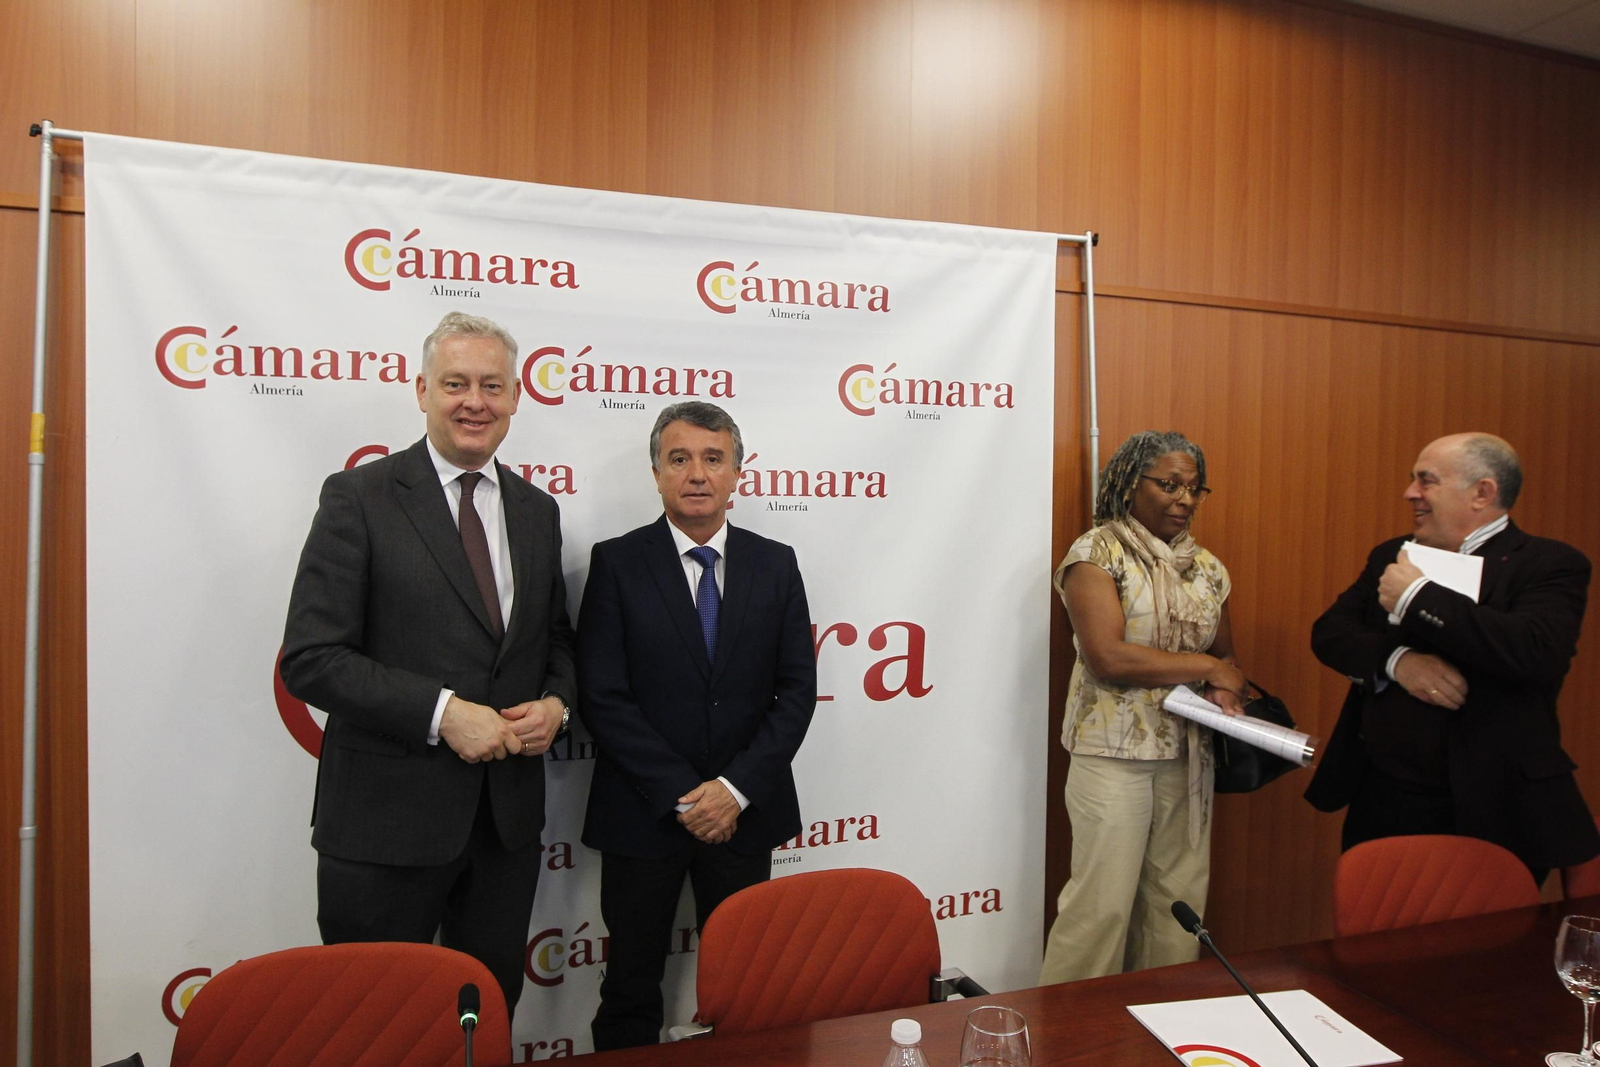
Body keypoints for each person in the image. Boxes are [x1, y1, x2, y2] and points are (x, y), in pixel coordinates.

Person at [279, 311, 576, 1017]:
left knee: (483, 1015)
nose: (475, 400)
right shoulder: (359, 497)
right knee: (373, 1021)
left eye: (492, 385)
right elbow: (313, 659)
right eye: (456, 383)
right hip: (385, 828)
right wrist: (444, 715)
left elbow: (557, 640)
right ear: (420, 391)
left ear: (514, 397)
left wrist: (558, 703)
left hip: (503, 830)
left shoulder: (536, 511)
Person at [579, 401, 817, 1050]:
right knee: (630, 987)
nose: (696, 473)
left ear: (737, 472)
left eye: (713, 458)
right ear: (655, 471)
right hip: (644, 814)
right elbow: (603, 697)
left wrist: (732, 790)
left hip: (743, 817)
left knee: (746, 985)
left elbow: (796, 692)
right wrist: (687, 795)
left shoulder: (776, 563)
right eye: (678, 458)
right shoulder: (617, 563)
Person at [1306, 432, 1599, 877]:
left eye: (1427, 481)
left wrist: (1418, 597)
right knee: (1379, 942)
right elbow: (1331, 633)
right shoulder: (1393, 554)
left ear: (1482, 492)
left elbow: (1534, 651)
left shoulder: (1549, 564)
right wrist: (1398, 661)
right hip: (1384, 796)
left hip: (1495, 803)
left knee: (1486, 942)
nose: (1411, 493)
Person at [1039, 430, 1246, 985]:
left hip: (1189, 753)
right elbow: (1107, 657)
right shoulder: (1095, 552)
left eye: (1194, 489)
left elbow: (1224, 655)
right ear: (1131, 484)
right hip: (1112, 756)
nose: (1183, 499)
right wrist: (1206, 670)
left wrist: (1226, 689)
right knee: (1101, 907)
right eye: (1169, 484)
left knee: (1177, 908)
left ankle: (1159, 1033)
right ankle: (1069, 1037)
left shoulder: (1208, 568)